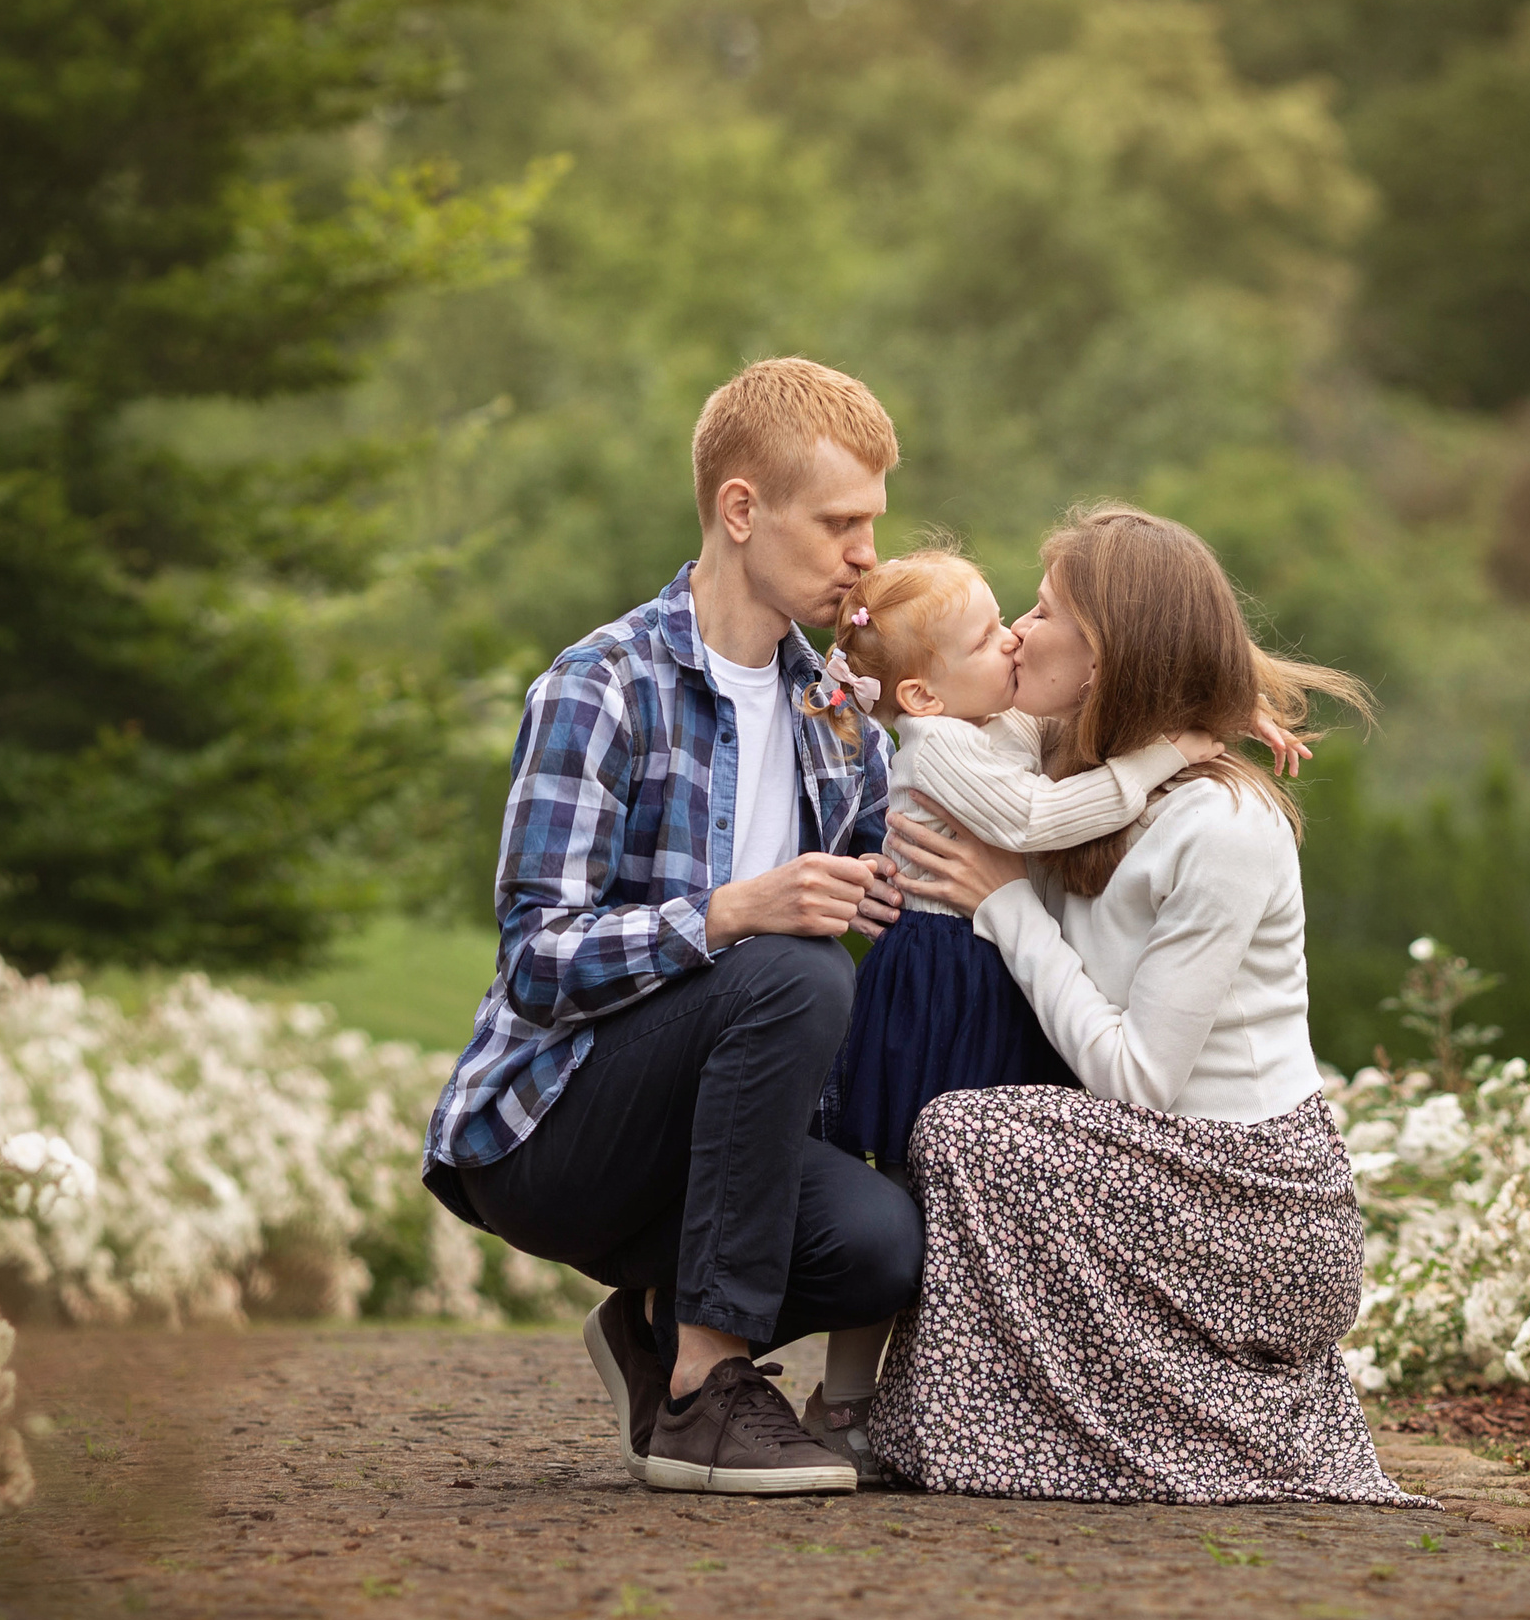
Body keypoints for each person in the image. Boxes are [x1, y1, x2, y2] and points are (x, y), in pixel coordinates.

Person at [870, 503, 1441, 1508]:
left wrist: (1005, 902)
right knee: (940, 1114)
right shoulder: (1064, 768)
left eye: (1043, 613)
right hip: (1158, 1157)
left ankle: (1020, 1432)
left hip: (1250, 1192)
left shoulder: (1220, 827)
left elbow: (1138, 1080)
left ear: (1102, 655)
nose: (1015, 633)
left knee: (967, 1132)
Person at [421, 357, 921, 1496]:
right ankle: (704, 1389)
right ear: (741, 511)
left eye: (871, 525)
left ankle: (656, 1321)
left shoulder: (844, 723)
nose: (864, 555)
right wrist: (737, 910)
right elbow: (535, 962)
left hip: (721, 1143)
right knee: (791, 966)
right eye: (839, 521)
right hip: (560, 1130)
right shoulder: (600, 685)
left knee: (884, 1244)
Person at [787, 546, 1222, 1477]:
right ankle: (845, 1401)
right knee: (912, 1183)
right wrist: (1164, 756)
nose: (1014, 643)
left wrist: (1216, 706)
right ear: (925, 699)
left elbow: (1069, 743)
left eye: (1013, 621)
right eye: (988, 636)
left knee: (982, 1193)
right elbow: (1035, 822)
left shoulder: (991, 723)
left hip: (997, 969)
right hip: (946, 978)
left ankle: (971, 1386)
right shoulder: (942, 748)